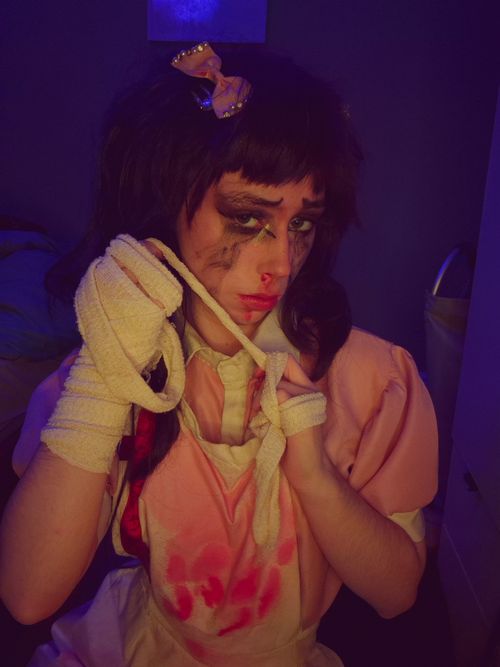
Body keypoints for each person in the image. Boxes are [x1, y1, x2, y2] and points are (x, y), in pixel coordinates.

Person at [0, 43, 438, 666]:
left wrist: (315, 477)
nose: (281, 262)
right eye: (247, 218)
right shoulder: (106, 375)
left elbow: (398, 595)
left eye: (301, 224)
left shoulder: (371, 379)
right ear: (167, 202)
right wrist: (104, 370)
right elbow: (26, 596)